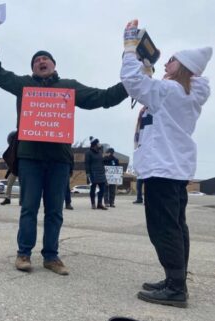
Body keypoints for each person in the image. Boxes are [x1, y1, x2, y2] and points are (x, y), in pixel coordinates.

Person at [0, 26, 128, 275]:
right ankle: (23, 254)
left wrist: (128, 87)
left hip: (59, 161)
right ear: (33, 68)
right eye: (37, 60)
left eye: (45, 59)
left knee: (55, 211)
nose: (41, 62)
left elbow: (99, 97)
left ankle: (51, 256)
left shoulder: (68, 87)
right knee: (28, 208)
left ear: (53, 64)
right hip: (30, 159)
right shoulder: (23, 85)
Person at [121, 19, 212, 308]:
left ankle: (175, 288)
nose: (165, 63)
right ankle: (176, 279)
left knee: (163, 227)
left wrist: (129, 49)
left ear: (183, 66)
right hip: (172, 167)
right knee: (176, 225)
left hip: (163, 166)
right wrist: (148, 69)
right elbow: (147, 87)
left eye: (171, 60)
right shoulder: (182, 92)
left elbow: (133, 83)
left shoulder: (171, 92)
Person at [85, 138, 108, 210]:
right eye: (98, 143)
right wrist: (88, 173)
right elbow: (87, 164)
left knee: (102, 189)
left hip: (101, 172)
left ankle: (100, 203)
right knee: (93, 189)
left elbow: (102, 163)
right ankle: (93, 203)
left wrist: (104, 171)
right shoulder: (88, 152)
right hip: (93, 173)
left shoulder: (100, 152)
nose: (99, 144)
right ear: (95, 145)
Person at [1, 131, 18, 206]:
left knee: (23, 184)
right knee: (9, 183)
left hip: (20, 167)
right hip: (14, 168)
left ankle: (23, 199)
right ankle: (7, 198)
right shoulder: (11, 148)